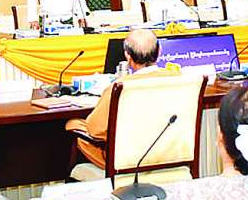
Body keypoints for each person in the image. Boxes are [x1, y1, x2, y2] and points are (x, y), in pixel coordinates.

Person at [65, 30, 171, 168]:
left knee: (73, 125)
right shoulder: (181, 80)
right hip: (169, 155)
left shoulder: (119, 87)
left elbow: (95, 130)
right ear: (159, 51)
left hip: (127, 162)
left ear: (128, 56)